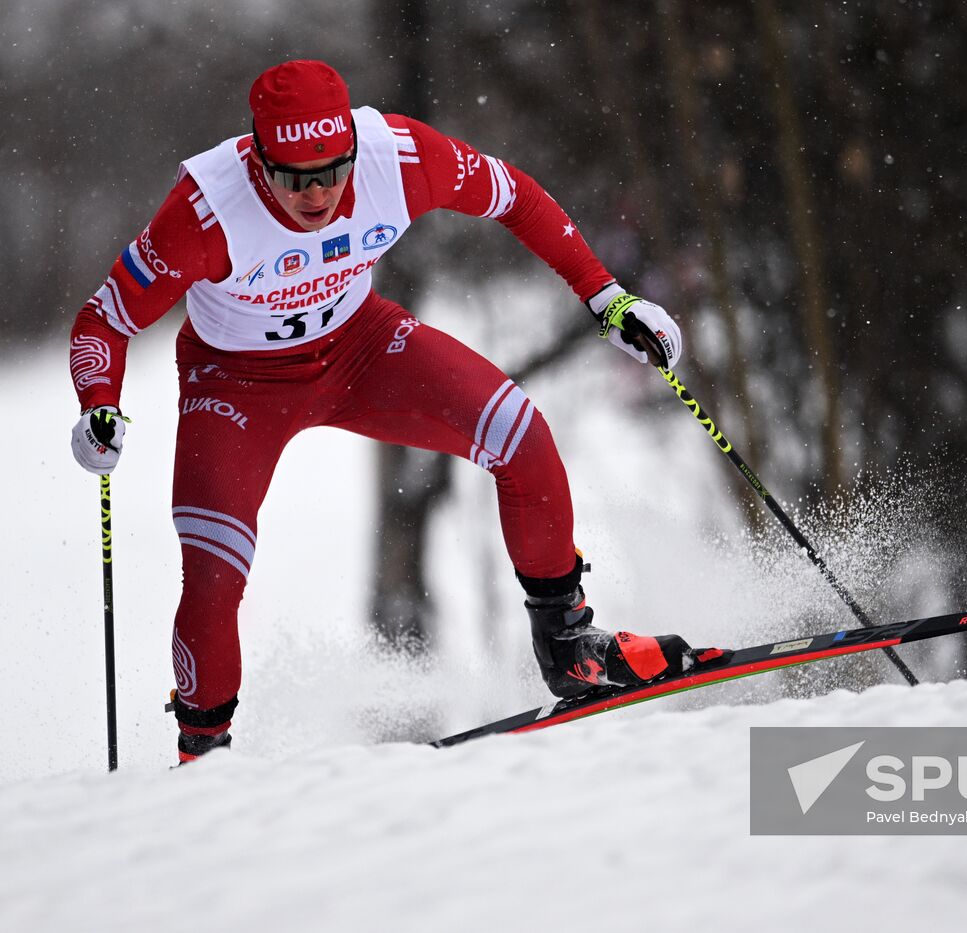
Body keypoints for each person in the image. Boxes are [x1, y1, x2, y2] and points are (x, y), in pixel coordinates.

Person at [68, 60, 722, 763]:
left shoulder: (399, 158)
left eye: (331, 171)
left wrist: (608, 298)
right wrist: (98, 406)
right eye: (294, 177)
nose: (316, 194)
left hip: (362, 347)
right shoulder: (204, 211)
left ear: (352, 146)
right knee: (214, 567)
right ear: (259, 162)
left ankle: (570, 646)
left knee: (520, 433)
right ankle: (202, 753)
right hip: (235, 384)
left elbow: (517, 198)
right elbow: (103, 321)